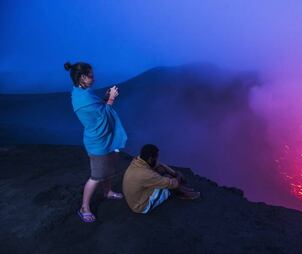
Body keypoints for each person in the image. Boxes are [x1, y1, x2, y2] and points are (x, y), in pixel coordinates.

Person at [64, 61, 128, 223]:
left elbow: (98, 109)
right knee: (96, 176)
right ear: (83, 77)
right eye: (91, 75)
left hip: (103, 138)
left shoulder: (81, 92)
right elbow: (103, 118)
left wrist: (105, 98)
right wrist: (112, 99)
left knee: (108, 169)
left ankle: (107, 192)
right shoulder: (84, 98)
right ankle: (84, 207)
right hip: (97, 141)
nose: (94, 78)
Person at [123, 144, 200, 214]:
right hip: (140, 206)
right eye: (156, 158)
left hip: (136, 198)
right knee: (168, 181)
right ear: (150, 159)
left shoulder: (138, 160)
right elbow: (170, 183)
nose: (157, 160)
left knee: (161, 170)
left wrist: (174, 173)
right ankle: (183, 193)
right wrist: (178, 176)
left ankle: (182, 188)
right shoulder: (146, 174)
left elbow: (159, 165)